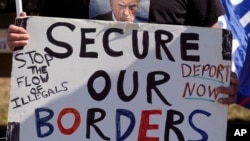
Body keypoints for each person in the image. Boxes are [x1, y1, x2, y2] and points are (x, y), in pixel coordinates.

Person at [7, 0, 240, 105]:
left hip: (167, 123)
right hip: (84, 121)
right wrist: (22, 41)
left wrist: (221, 77)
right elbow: (47, 40)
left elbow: (210, 36)